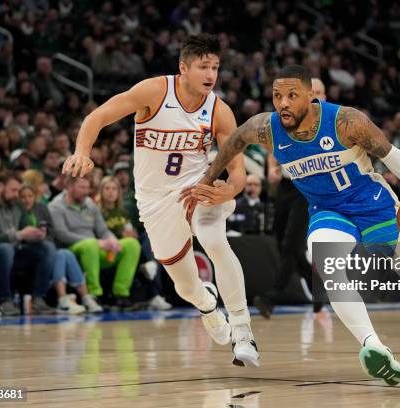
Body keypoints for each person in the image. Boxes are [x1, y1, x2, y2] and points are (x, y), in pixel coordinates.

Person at [186, 65, 400, 385]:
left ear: (311, 96)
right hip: (329, 210)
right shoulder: (267, 128)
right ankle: (374, 347)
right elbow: (234, 141)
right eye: (277, 96)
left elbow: (391, 153)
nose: (283, 103)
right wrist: (207, 180)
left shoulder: (346, 121)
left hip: (372, 204)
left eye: (292, 95)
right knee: (326, 262)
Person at [62, 34, 259, 367]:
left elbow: (237, 171)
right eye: (203, 67)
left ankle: (243, 331)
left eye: (215, 67)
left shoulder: (220, 111)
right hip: (154, 200)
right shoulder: (153, 91)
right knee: (184, 285)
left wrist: (230, 189)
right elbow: (96, 117)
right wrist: (82, 151)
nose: (211, 74)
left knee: (214, 241)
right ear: (183, 68)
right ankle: (207, 304)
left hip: (198, 189)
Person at [253, 77, 328, 317]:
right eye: (311, 91)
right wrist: (272, 167)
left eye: (319, 92)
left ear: (324, 96)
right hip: (286, 186)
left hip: (309, 188)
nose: (315, 95)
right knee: (282, 242)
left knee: (289, 244)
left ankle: (271, 297)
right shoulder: (291, 116)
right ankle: (320, 290)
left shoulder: (329, 122)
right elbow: (274, 143)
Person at [48, 177, 139, 309]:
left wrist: (112, 240)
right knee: (90, 244)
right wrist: (97, 242)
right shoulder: (56, 206)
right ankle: (94, 294)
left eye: (87, 188)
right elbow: (62, 235)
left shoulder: (90, 204)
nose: (86, 192)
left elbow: (103, 230)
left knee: (131, 244)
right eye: (82, 188)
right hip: (72, 251)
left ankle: (121, 294)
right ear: (69, 187)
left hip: (95, 250)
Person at [0, 172, 56, 315]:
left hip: (16, 250)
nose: (16, 194)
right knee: (5, 249)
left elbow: (24, 228)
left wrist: (35, 235)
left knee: (47, 248)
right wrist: (18, 235)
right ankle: (4, 300)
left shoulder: (17, 204)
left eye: (18, 190)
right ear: (0, 186)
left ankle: (38, 298)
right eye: (13, 190)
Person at [19, 183, 101, 314]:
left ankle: (84, 297)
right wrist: (28, 236)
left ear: (35, 197)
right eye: (23, 197)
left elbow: (52, 233)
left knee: (64, 253)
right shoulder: (17, 211)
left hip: (45, 246)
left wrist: (42, 236)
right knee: (54, 251)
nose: (27, 199)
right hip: (25, 248)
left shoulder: (41, 208)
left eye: (30, 196)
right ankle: (63, 299)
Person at [95, 176, 171, 310]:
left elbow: (133, 231)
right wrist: (121, 237)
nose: (110, 192)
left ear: (119, 192)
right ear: (101, 191)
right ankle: (149, 275)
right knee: (133, 247)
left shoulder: (124, 212)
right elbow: (99, 233)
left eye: (114, 189)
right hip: (111, 248)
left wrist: (133, 234)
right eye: (107, 189)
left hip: (131, 245)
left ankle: (151, 270)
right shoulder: (97, 211)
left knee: (148, 239)